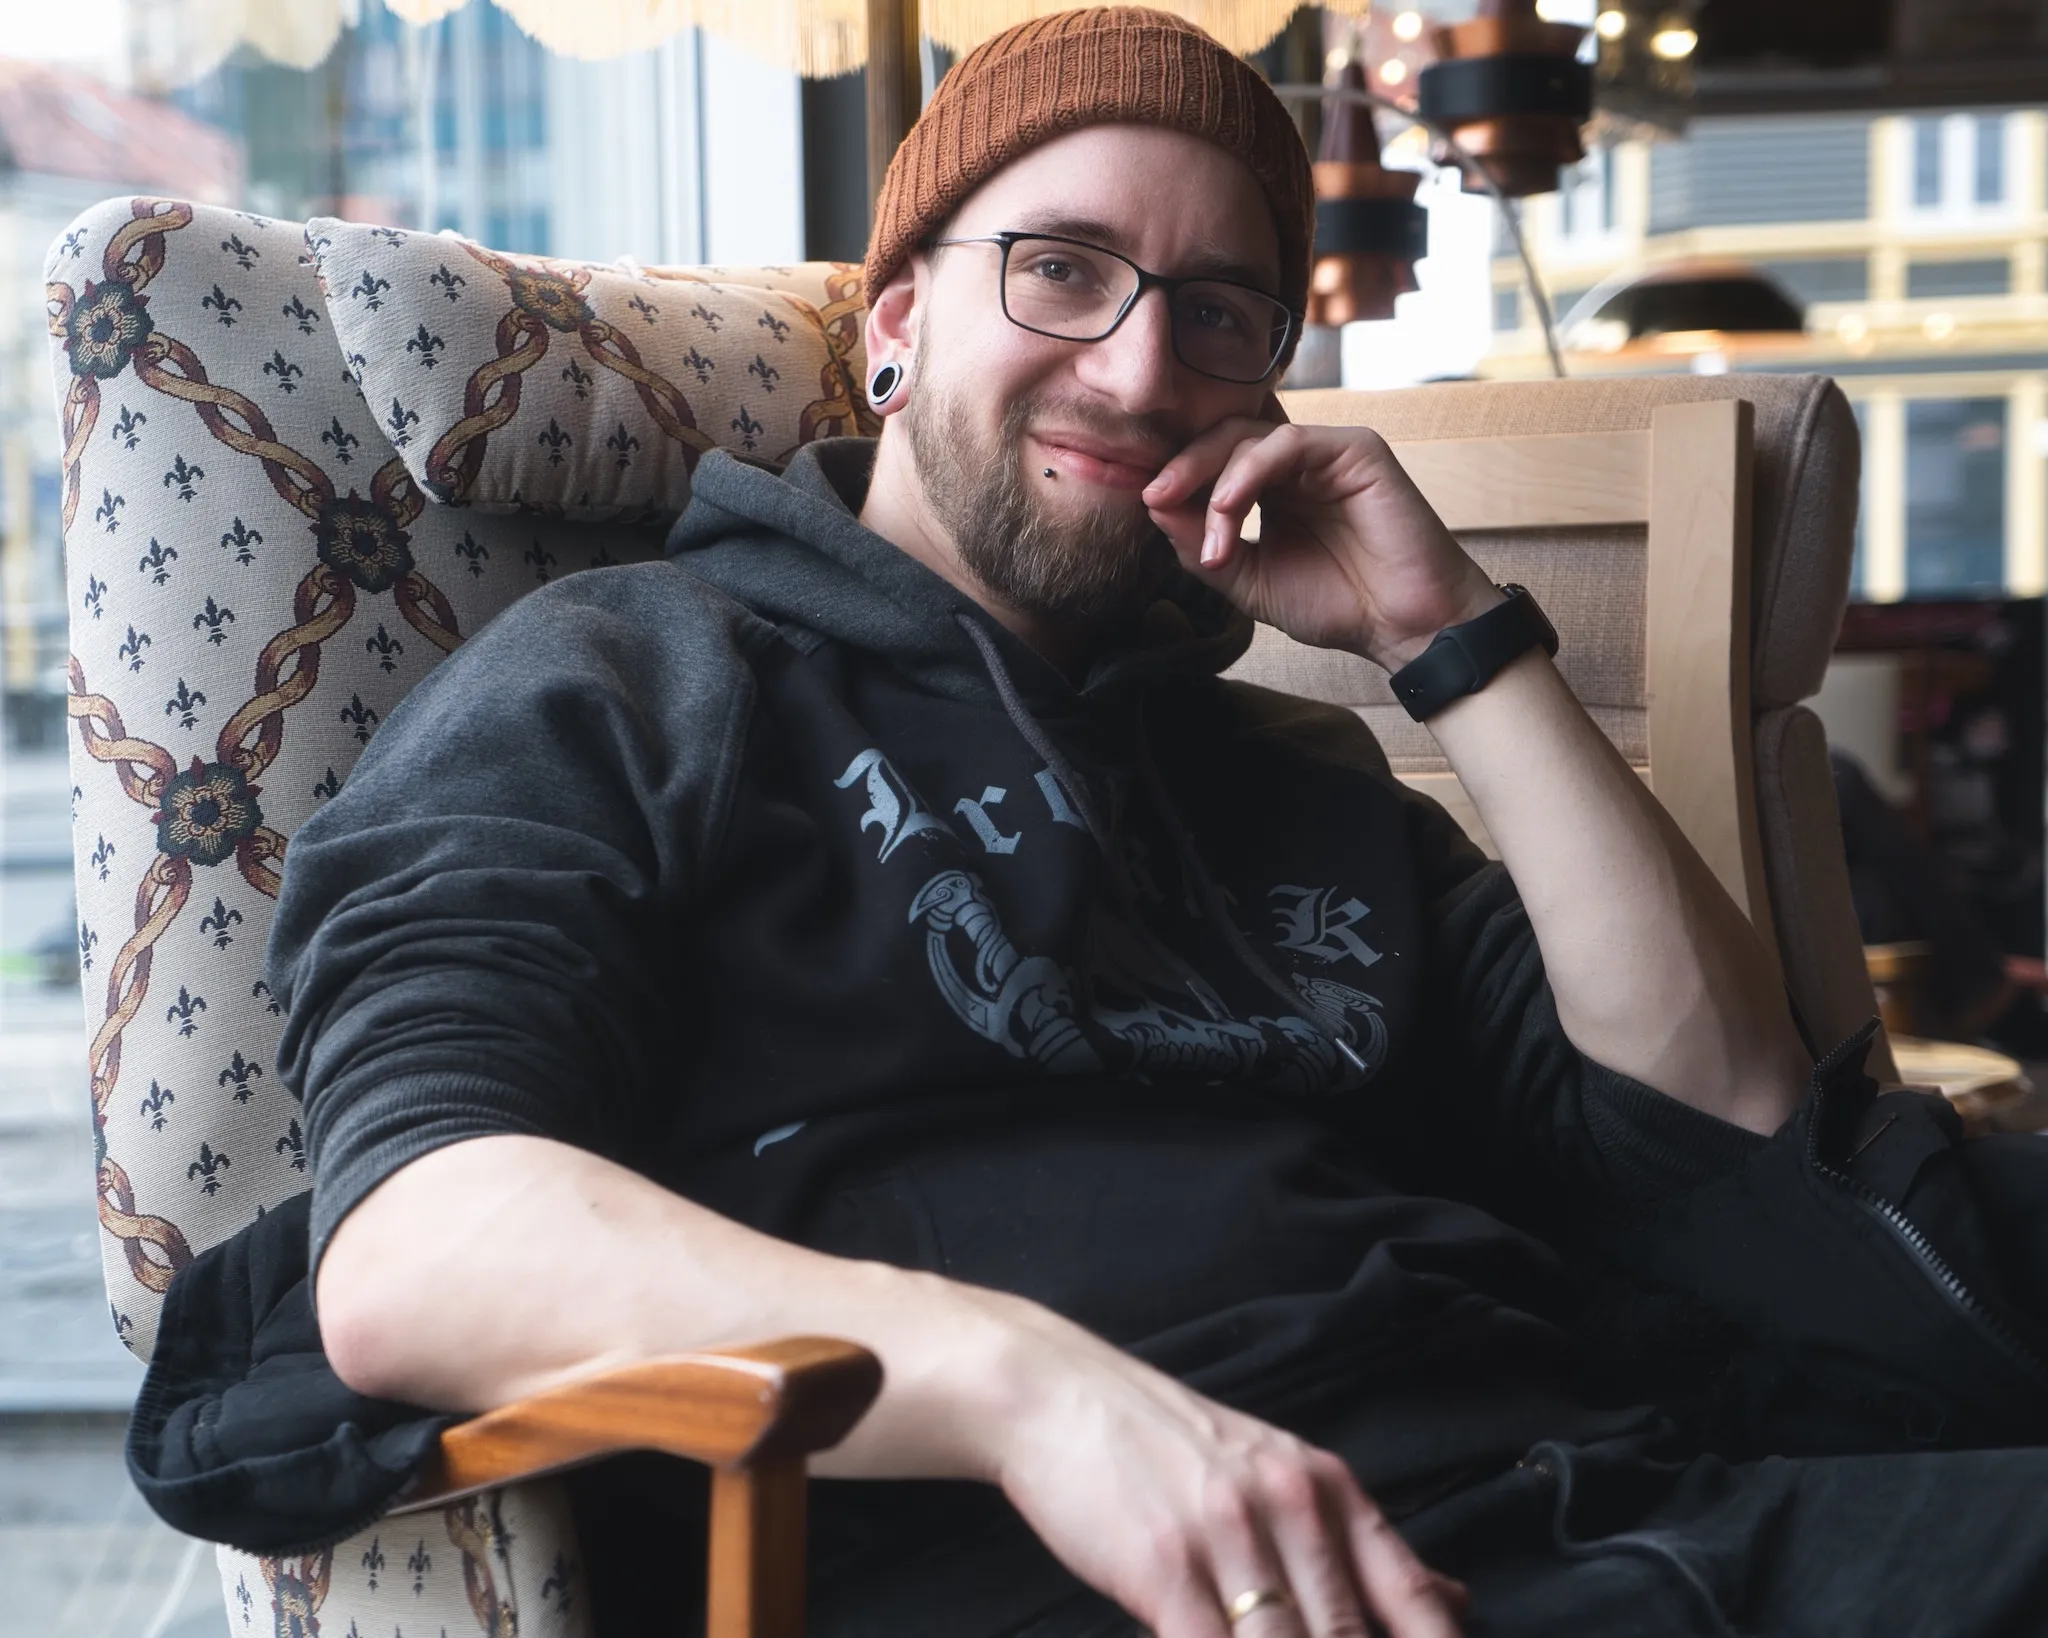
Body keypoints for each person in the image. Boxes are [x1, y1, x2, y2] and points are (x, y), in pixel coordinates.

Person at [279, 11, 2048, 1635]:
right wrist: (1036, 1390)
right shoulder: (628, 675)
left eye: (1217, 310)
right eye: (1061, 270)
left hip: (1618, 1488)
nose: (1136, 373)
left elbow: (1718, 1098)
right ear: (896, 323)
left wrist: (1452, 645)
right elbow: (418, 1235)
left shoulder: (1285, 776)